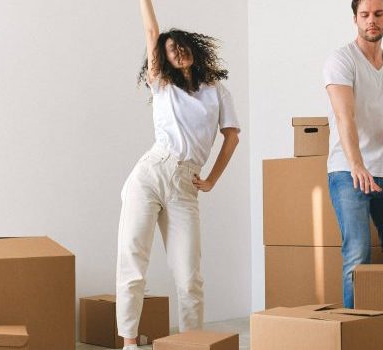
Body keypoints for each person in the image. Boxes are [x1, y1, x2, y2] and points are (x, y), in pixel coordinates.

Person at [116, 0, 240, 348]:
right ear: (164, 58)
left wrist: (212, 178)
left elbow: (231, 136)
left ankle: (192, 342)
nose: (177, 52)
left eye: (182, 46)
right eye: (170, 50)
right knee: (133, 262)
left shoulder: (217, 91)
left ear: (194, 50)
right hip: (151, 173)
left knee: (189, 278)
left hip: (186, 183)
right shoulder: (162, 85)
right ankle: (128, 343)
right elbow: (152, 32)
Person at [323, 0, 383, 309]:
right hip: (348, 172)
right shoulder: (341, 60)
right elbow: (344, 117)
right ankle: (355, 333)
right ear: (355, 19)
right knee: (357, 254)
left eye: (378, 14)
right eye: (365, 15)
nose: (371, 20)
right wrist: (357, 165)